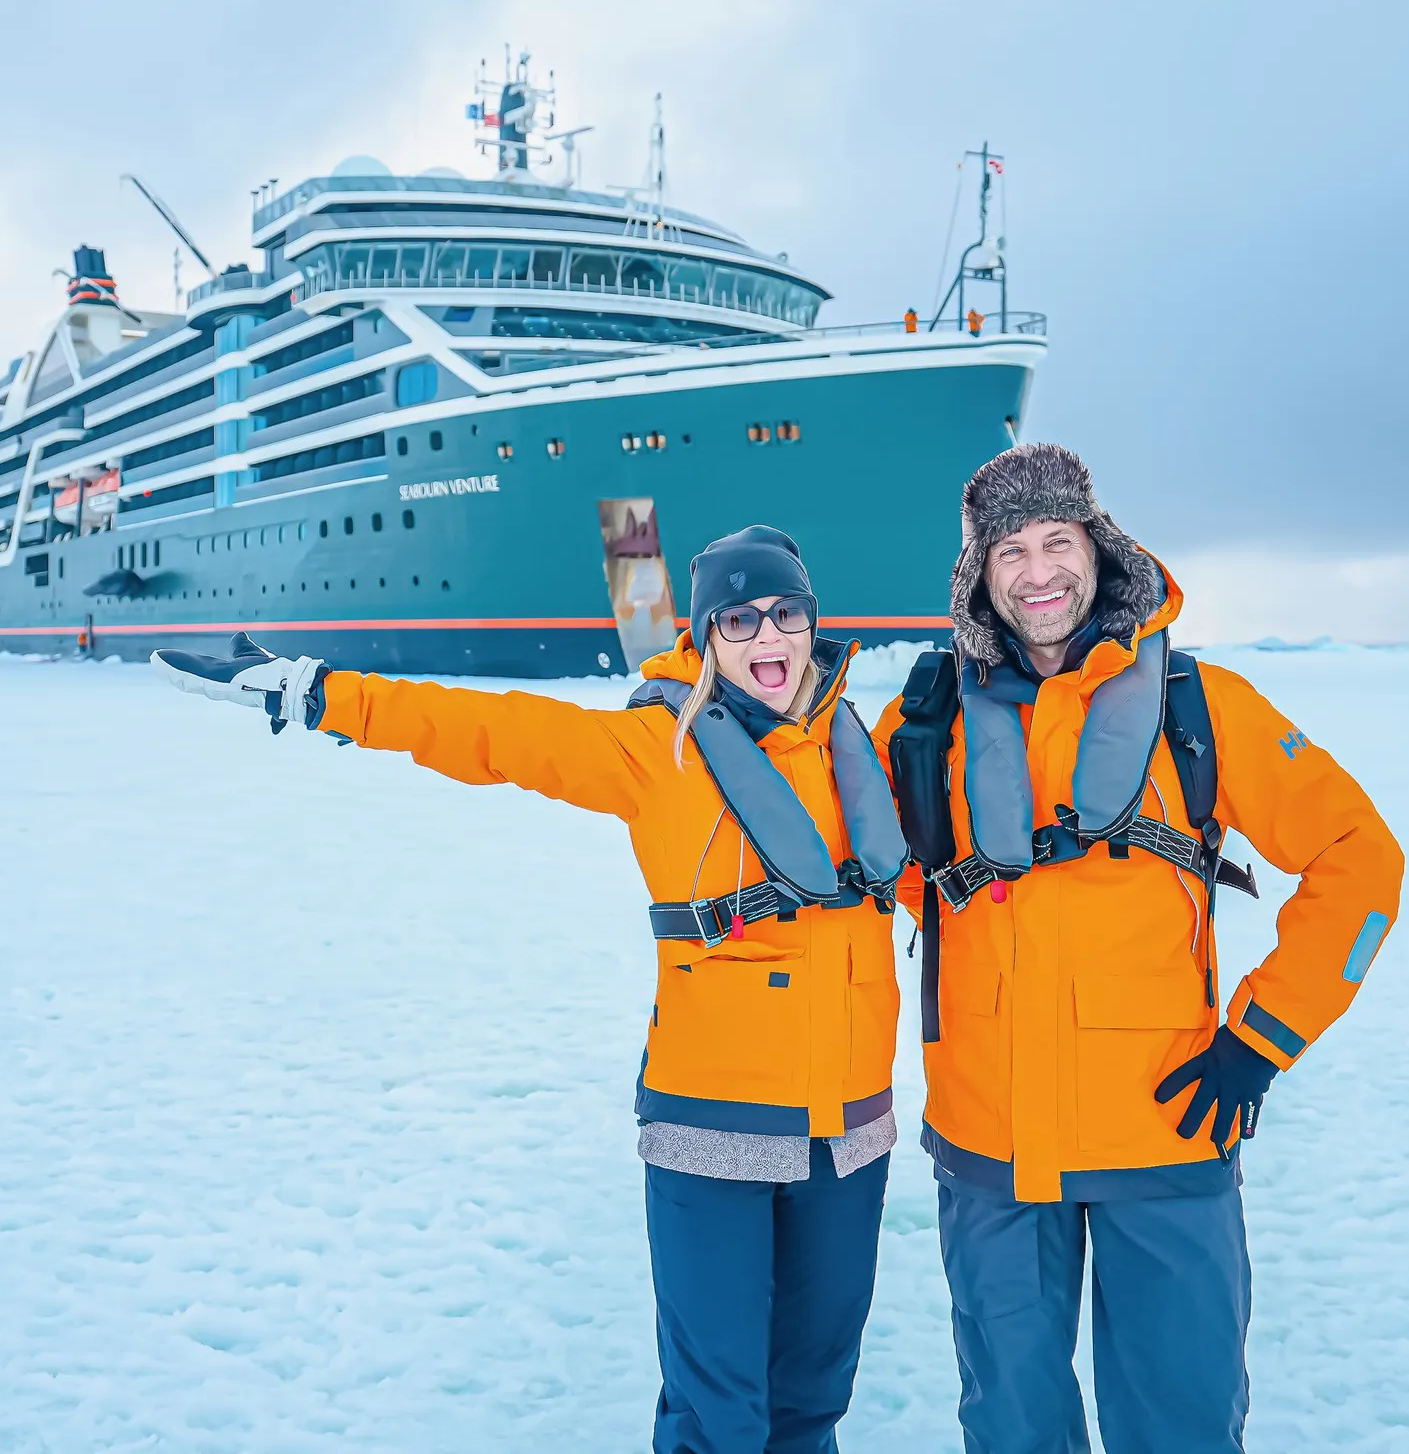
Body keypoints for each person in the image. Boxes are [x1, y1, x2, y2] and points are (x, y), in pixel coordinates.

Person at [156, 526, 905, 1454]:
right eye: (740, 620)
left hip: (849, 1136)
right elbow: (491, 732)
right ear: (706, 637)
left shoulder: (861, 749)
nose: (768, 640)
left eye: (786, 615)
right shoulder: (655, 749)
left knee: (814, 1401)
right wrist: (319, 694)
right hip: (715, 1127)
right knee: (720, 1416)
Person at [872, 443, 1405, 1454]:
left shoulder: (1201, 708)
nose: (1037, 573)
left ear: (1097, 546)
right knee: (1011, 1432)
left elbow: (1361, 862)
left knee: (1183, 1430)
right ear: (977, 578)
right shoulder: (926, 719)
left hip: (1162, 1133)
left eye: (1056, 542)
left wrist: (1262, 1035)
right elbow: (883, 878)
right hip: (991, 1148)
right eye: (1009, 553)